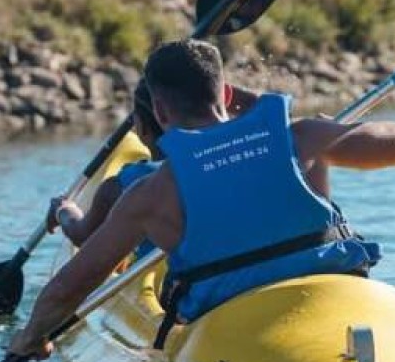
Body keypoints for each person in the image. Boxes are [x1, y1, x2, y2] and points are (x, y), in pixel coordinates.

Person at [8, 39, 395, 360]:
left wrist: (30, 338)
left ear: (158, 108)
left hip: (237, 332)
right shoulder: (299, 138)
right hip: (344, 300)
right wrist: (287, 118)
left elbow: (67, 288)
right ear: (226, 94)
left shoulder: (150, 195)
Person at [45, 80, 264, 261]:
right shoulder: (246, 152)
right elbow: (259, 107)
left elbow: (83, 237)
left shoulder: (122, 185)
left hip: (180, 283)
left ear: (140, 127)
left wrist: (63, 211)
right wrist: (205, 81)